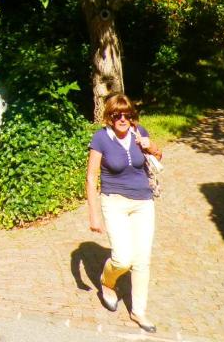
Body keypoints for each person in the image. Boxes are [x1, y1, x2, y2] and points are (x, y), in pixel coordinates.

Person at [86, 93, 163, 334]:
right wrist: (94, 215)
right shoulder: (101, 138)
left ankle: (138, 311)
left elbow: (157, 158)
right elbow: (91, 176)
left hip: (143, 202)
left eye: (127, 115)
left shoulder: (140, 132)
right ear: (109, 117)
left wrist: (151, 147)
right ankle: (107, 281)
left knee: (142, 260)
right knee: (122, 259)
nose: (122, 119)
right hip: (115, 201)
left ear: (132, 116)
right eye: (117, 115)